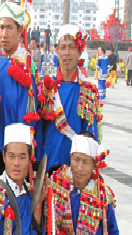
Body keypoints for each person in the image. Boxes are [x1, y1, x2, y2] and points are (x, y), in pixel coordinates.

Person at [39, 25, 102, 171]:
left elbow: (92, 134)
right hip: (48, 164)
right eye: (63, 47)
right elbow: (39, 130)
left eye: (72, 47)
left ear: (79, 51)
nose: (67, 52)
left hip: (77, 168)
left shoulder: (88, 91)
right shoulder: (46, 87)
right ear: (57, 51)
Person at [0, 2, 42, 167]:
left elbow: (27, 113)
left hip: (15, 151)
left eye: (9, 28)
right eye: (1, 27)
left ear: (20, 31)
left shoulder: (25, 64)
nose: (4, 34)